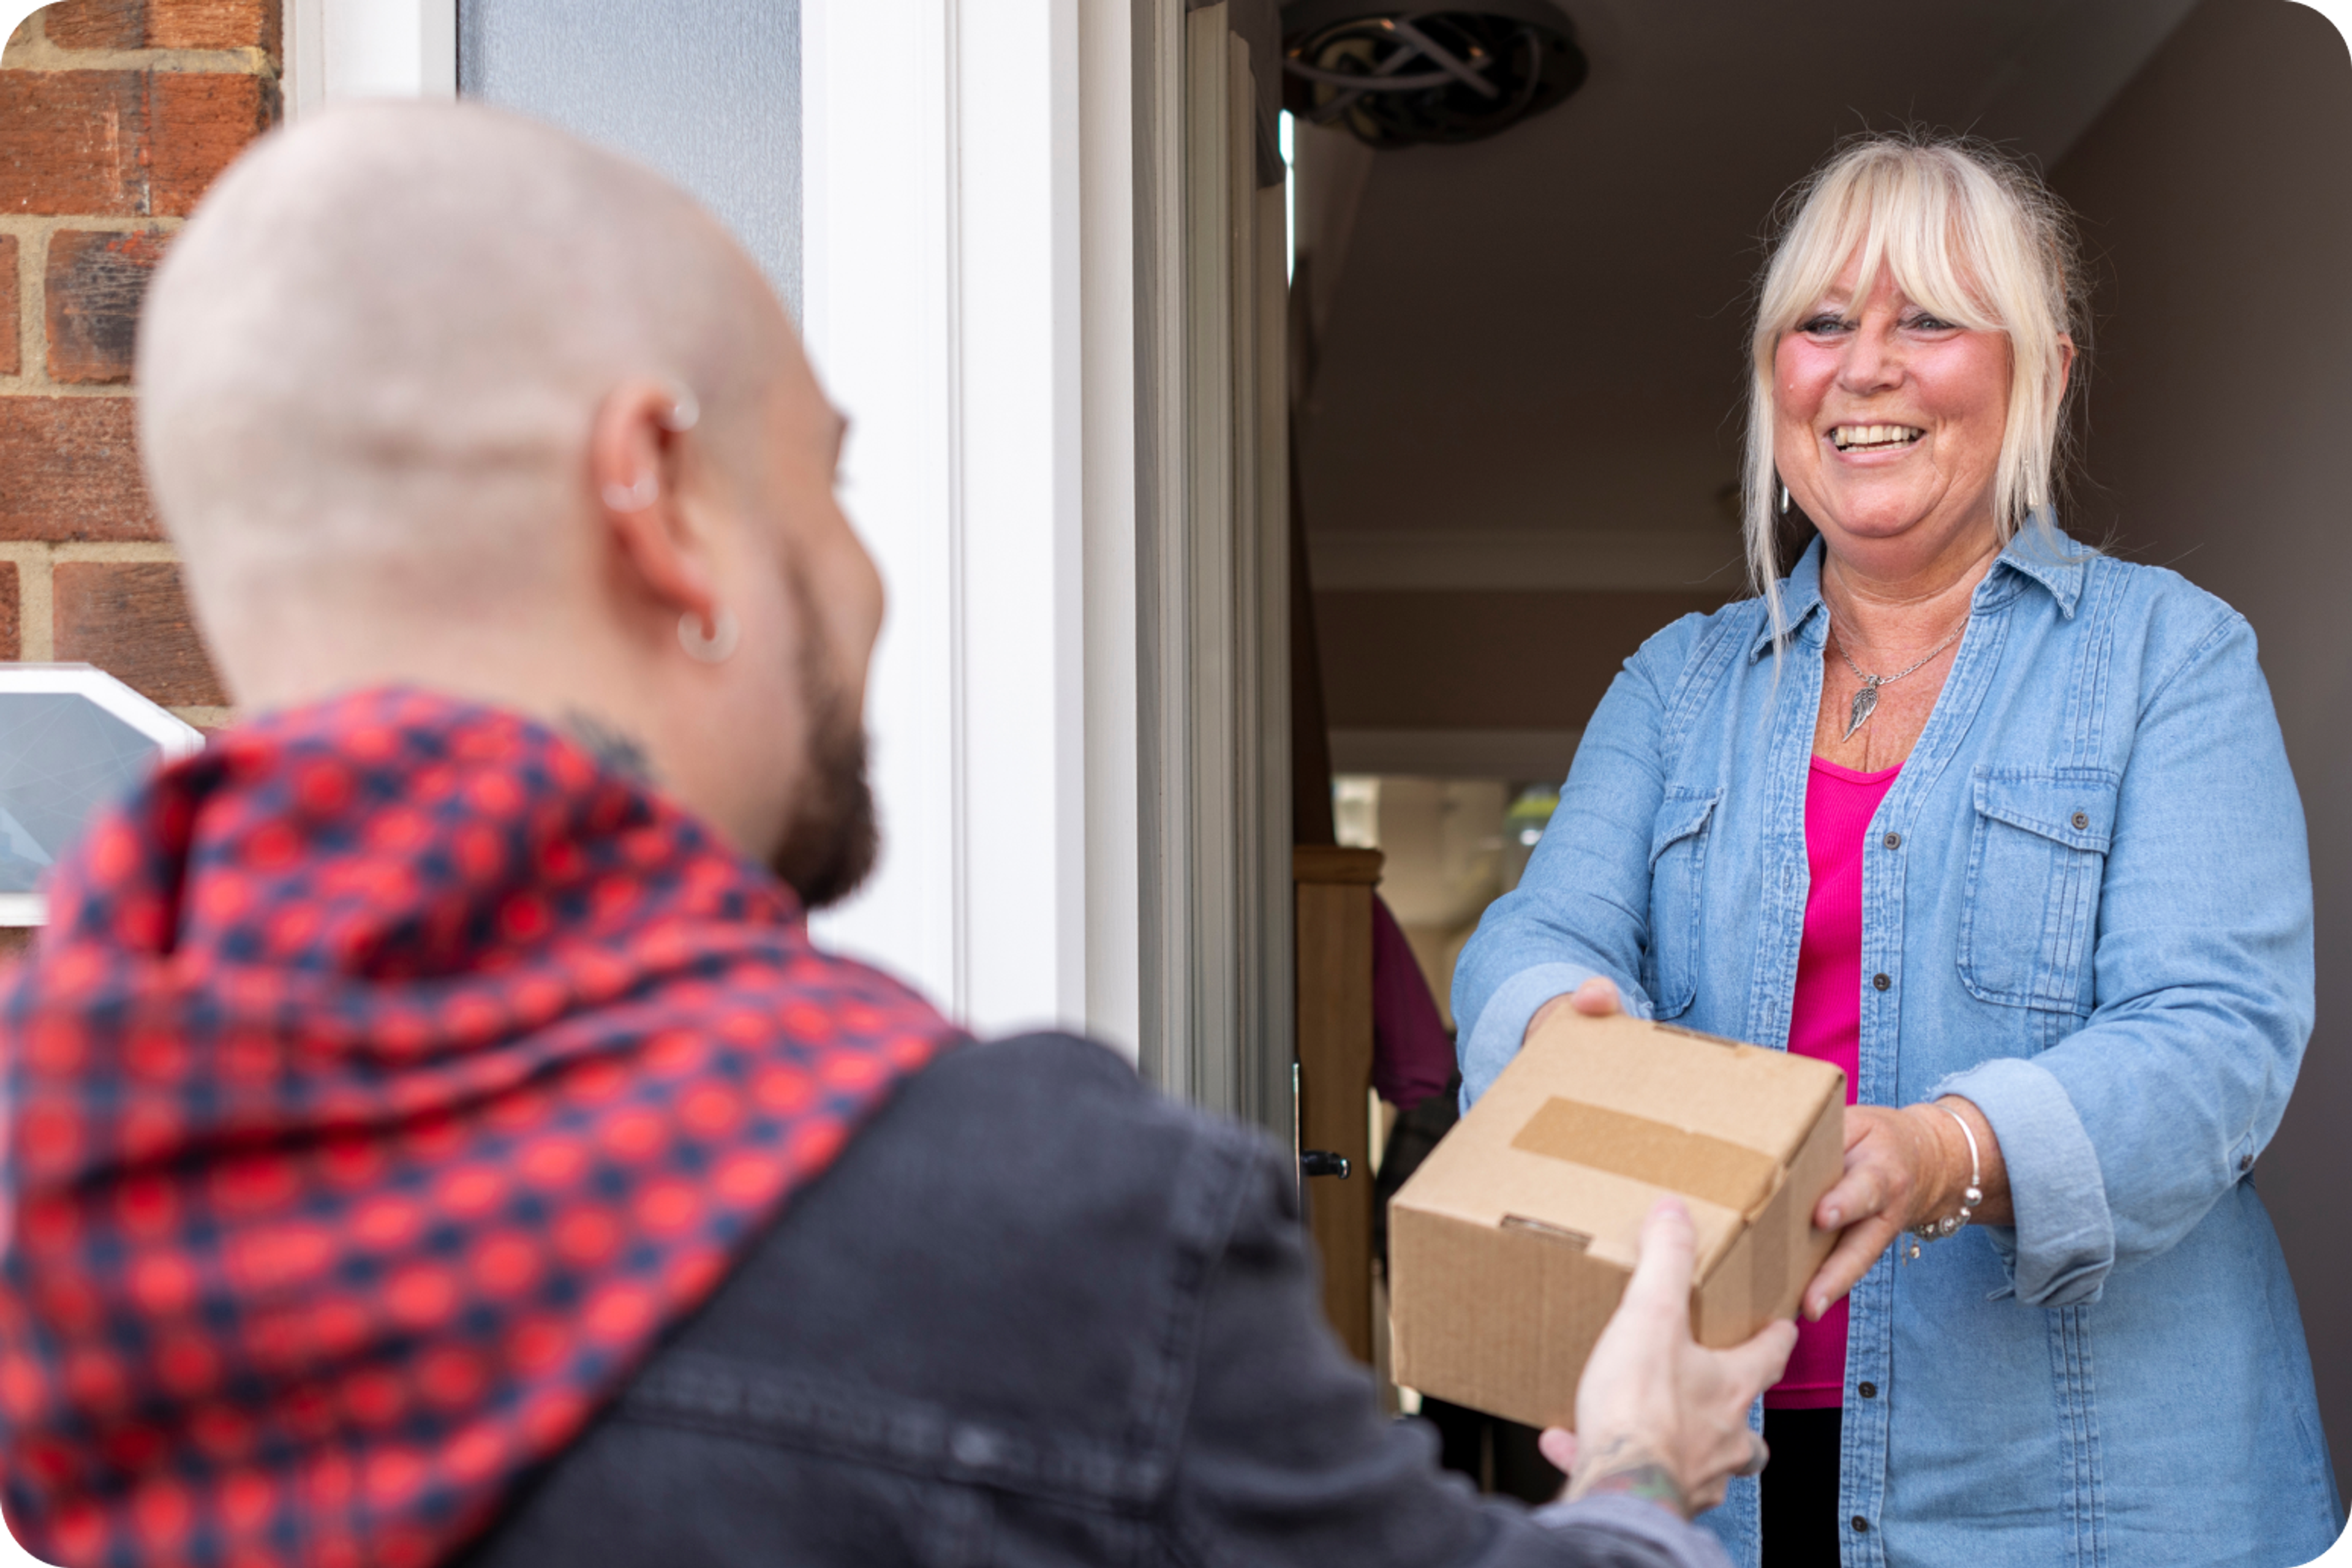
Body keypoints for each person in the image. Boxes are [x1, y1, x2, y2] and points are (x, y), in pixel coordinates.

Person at [0, 103, 1796, 1567]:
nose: (861, 580)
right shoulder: (1050, 1236)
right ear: (660, 505)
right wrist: (1644, 1469)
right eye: (827, 476)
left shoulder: (58, 1166)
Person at [1452, 132, 2347, 1568]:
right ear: (1776, 382)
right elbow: (1530, 933)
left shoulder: (2170, 653)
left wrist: (1948, 1148)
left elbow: (2217, 1038)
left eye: (1926, 317)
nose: (1864, 366)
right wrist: (1556, 1022)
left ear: (2041, 369)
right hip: (1719, 1459)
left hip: (2092, 1487)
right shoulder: (1673, 686)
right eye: (1821, 323)